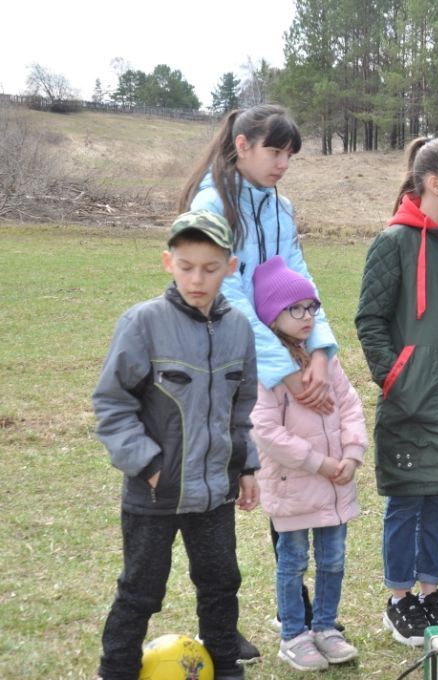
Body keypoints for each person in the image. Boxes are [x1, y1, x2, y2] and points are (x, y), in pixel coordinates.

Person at [180, 104, 339, 659]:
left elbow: (297, 277)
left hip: (279, 363)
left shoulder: (280, 206)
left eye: (290, 154)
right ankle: (221, 628)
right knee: (221, 494)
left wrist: (317, 348)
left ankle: (290, 607)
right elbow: (233, 294)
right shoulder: (213, 204)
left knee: (286, 482)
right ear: (242, 144)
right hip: (219, 365)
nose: (284, 163)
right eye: (275, 151)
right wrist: (288, 371)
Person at [92, 210, 259, 680]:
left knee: (222, 583)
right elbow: (112, 402)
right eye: (186, 266)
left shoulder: (239, 329)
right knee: (141, 590)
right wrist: (148, 463)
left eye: (210, 268)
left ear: (230, 267)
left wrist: (245, 467)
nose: (197, 278)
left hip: (214, 494)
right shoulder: (143, 323)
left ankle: (226, 667)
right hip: (155, 493)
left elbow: (242, 406)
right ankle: (116, 671)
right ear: (169, 262)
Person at [355, 137, 438, 647]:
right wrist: (397, 379)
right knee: (407, 503)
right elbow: (369, 321)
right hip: (412, 400)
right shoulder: (392, 243)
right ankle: (398, 600)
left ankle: (429, 591)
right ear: (434, 183)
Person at [248, 256, 366, 670]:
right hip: (295, 485)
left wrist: (351, 455)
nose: (306, 317)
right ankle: (294, 634)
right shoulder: (269, 372)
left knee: (333, 559)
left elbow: (351, 406)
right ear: (270, 315)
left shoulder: (325, 359)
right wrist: (319, 463)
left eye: (311, 308)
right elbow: (265, 431)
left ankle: (326, 627)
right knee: (293, 561)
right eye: (294, 309)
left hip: (336, 483)